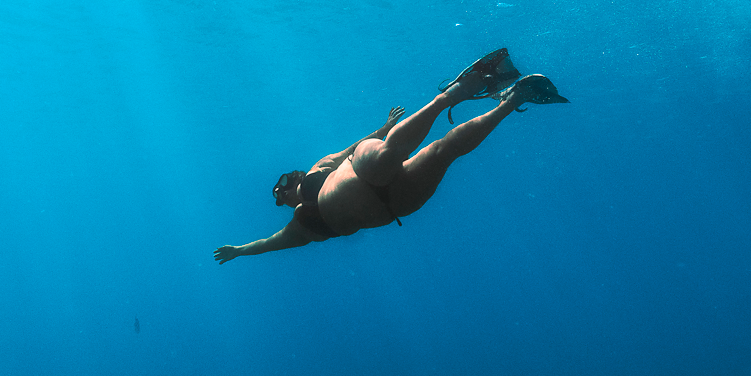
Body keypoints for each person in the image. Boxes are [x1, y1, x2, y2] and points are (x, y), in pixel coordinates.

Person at [213, 49, 566, 263]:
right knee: (444, 151)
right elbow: (268, 244)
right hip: (396, 202)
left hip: (367, 175)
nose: (291, 180)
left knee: (390, 151)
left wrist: (382, 128)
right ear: (283, 198)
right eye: (283, 186)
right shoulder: (297, 225)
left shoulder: (317, 169)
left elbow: (350, 150)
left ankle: (463, 89)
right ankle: (513, 99)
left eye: (288, 178)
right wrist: (239, 250)